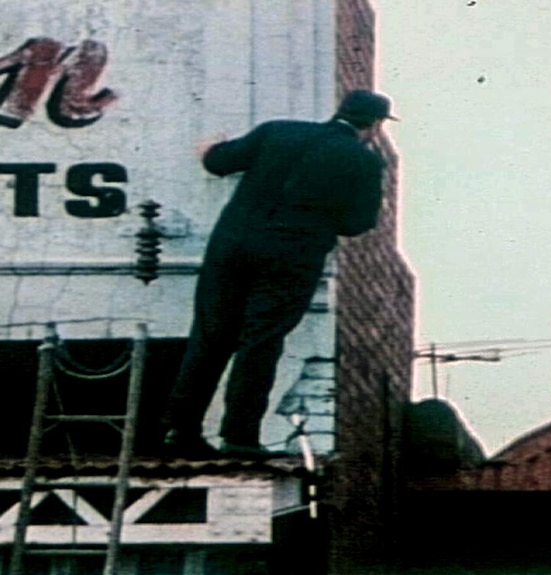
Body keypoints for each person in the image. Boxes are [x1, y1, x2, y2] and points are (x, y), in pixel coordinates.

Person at [162, 90, 396, 458]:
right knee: (261, 341)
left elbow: (219, 162)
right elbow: (357, 224)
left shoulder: (277, 131)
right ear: (375, 126)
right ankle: (239, 437)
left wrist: (210, 148)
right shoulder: (364, 161)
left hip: (232, 246)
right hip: (292, 257)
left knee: (210, 336)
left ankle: (181, 430)